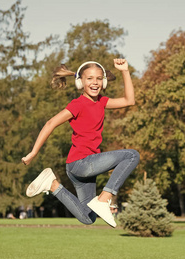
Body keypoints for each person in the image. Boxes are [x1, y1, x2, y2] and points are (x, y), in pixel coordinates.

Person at [22, 59, 140, 228]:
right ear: (80, 82)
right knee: (132, 155)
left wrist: (125, 71)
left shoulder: (102, 101)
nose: (95, 82)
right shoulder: (77, 104)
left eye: (99, 79)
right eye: (90, 78)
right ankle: (105, 199)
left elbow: (129, 100)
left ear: (104, 81)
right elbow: (50, 124)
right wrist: (33, 153)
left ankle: (53, 185)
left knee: (87, 217)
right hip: (81, 164)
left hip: (82, 168)